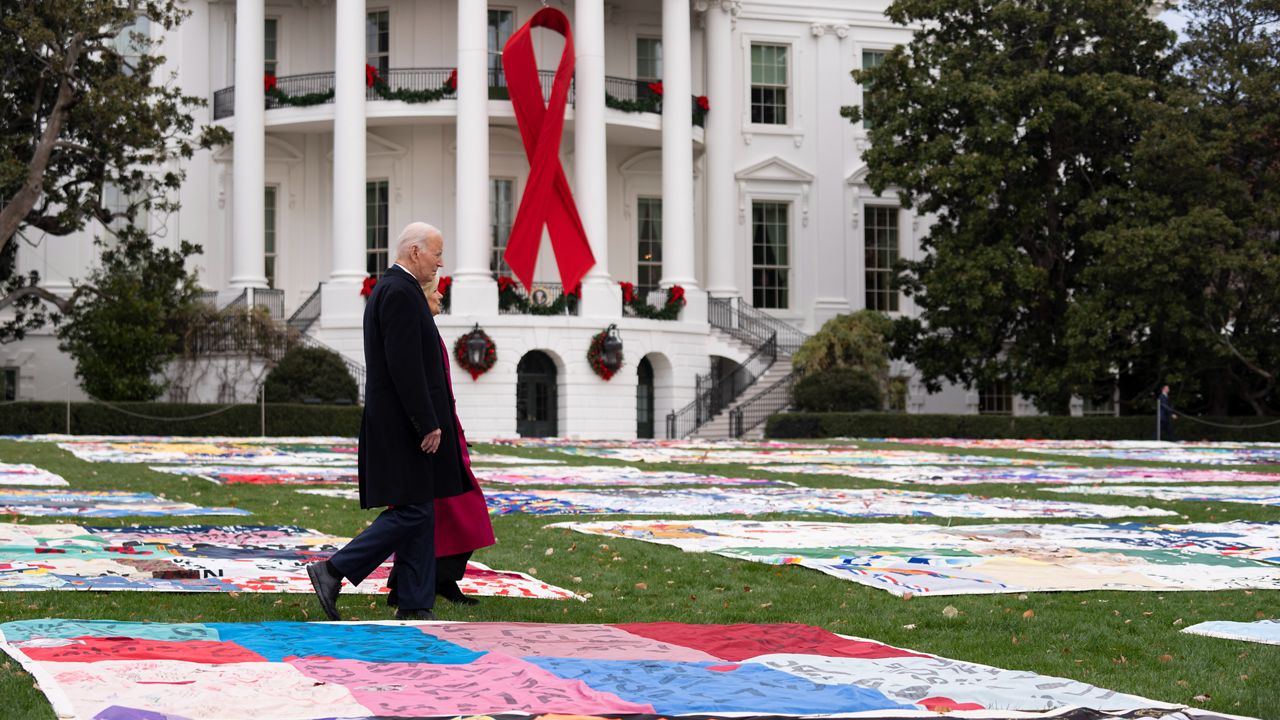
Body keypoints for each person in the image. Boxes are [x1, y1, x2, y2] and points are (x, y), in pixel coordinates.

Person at [307, 222, 470, 622]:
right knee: (413, 511)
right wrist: (426, 422)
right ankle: (333, 570)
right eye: (436, 253)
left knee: (421, 508)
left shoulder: (397, 290)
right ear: (415, 252)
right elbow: (405, 366)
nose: (441, 262)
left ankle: (414, 603)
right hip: (403, 425)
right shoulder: (399, 292)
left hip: (401, 422)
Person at [387, 275, 496, 608]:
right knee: (449, 512)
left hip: (445, 433)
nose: (441, 295)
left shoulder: (430, 331)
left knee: (460, 512)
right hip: (431, 437)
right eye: (435, 292)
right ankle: (419, 583)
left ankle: (437, 579)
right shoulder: (419, 330)